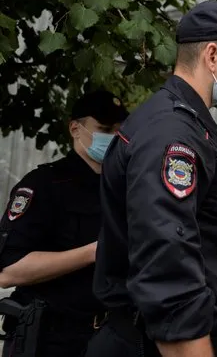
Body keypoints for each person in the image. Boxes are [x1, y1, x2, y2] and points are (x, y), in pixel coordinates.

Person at [84, 0, 217, 357]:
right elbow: (168, 263)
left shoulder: (181, 123)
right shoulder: (171, 134)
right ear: (212, 56)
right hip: (148, 344)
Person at [0, 90, 129, 357]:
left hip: (111, 338)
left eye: (119, 130)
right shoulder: (44, 185)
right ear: (75, 128)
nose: (113, 138)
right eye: (104, 129)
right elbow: (9, 271)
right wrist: (92, 252)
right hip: (51, 340)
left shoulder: (126, 188)